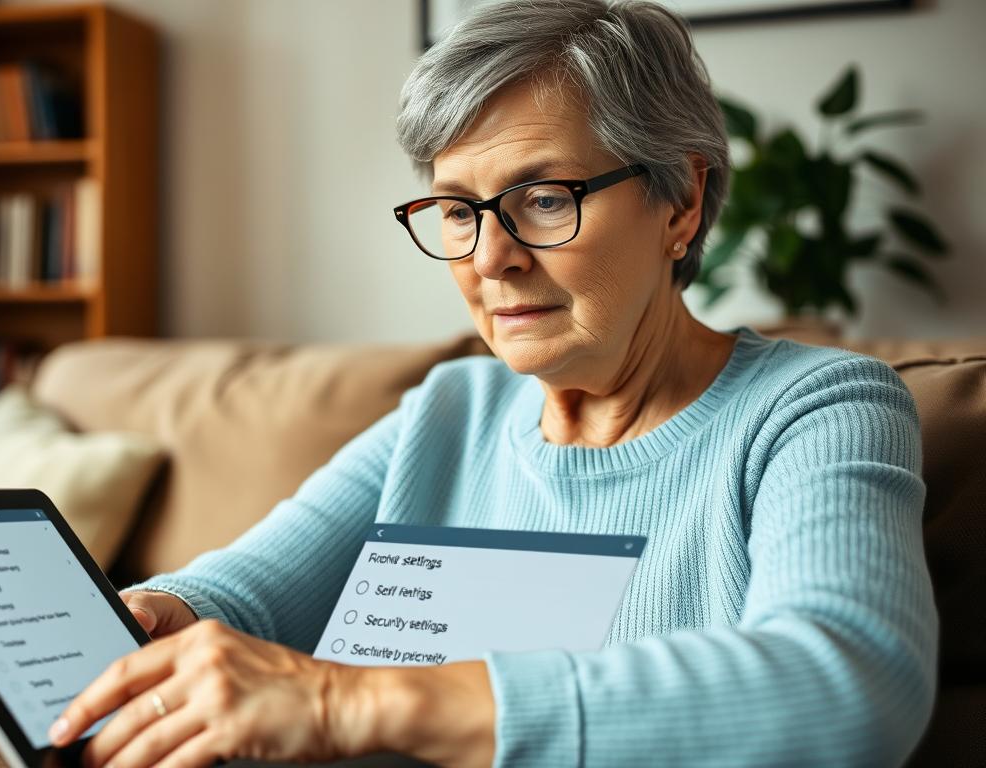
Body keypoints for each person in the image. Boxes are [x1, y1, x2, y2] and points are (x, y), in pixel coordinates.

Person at [48, 1, 938, 765]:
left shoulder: (818, 408)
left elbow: (851, 683)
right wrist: (150, 618)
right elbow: (246, 594)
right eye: (456, 210)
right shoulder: (451, 410)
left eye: (545, 198)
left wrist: (343, 704)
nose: (491, 257)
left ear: (682, 204)